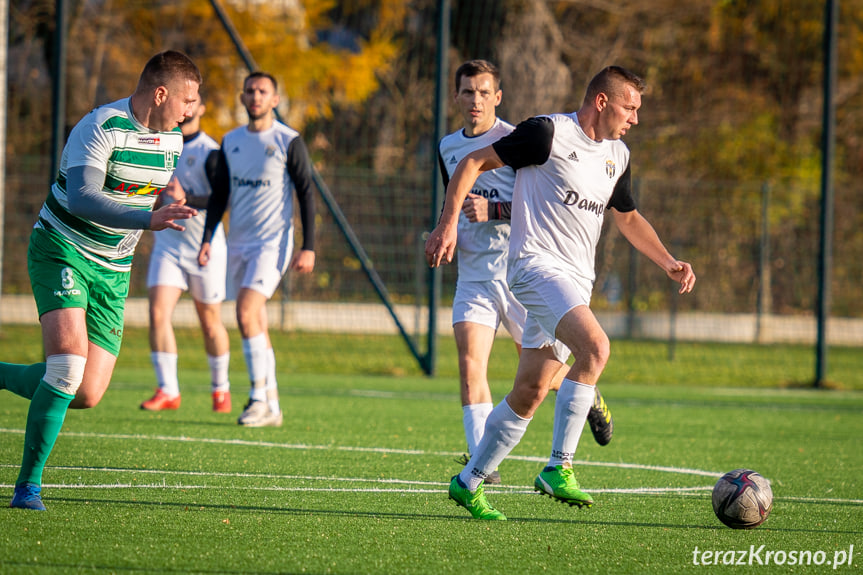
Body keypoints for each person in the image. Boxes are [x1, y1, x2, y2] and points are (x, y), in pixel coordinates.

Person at [426, 65, 696, 520]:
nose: (635, 118)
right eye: (630, 107)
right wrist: (448, 222)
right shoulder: (546, 133)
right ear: (603, 101)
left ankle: (469, 482)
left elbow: (627, 217)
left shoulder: (618, 155)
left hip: (575, 281)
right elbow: (472, 162)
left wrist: (668, 260)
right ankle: (559, 466)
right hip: (534, 269)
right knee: (596, 348)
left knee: (530, 389)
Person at [0, 50, 202, 510]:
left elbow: (146, 181)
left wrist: (169, 190)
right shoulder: (100, 126)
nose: (192, 110)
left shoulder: (173, 139)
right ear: (161, 93)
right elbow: (85, 198)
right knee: (67, 366)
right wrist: (150, 219)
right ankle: (27, 486)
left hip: (114, 269)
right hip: (62, 247)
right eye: (188, 99)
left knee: (86, 393)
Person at [438, 60, 614, 485]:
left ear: (497, 98)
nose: (475, 100)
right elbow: (458, 196)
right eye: (467, 92)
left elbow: (545, 204)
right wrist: (445, 227)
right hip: (475, 275)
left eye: (484, 92)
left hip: (522, 272)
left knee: (538, 375)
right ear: (457, 97)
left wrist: (495, 210)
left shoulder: (517, 139)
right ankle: (483, 463)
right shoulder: (446, 146)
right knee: (469, 365)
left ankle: (588, 394)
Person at [199, 71, 316, 428]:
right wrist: (207, 238)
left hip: (273, 244)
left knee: (247, 313)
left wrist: (308, 246)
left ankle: (257, 398)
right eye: (249, 91)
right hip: (239, 244)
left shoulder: (288, 140)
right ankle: (274, 405)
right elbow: (220, 195)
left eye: (262, 91)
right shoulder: (230, 141)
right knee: (257, 322)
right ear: (242, 97)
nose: (255, 97)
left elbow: (306, 193)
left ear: (275, 99)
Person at [140, 95, 232, 413]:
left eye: (194, 102)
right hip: (169, 245)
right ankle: (168, 390)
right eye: (184, 101)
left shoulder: (211, 152)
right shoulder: (160, 144)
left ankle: (221, 389)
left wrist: (186, 197)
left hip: (205, 247)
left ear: (202, 109)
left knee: (209, 323)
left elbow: (222, 200)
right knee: (157, 314)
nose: (187, 108)